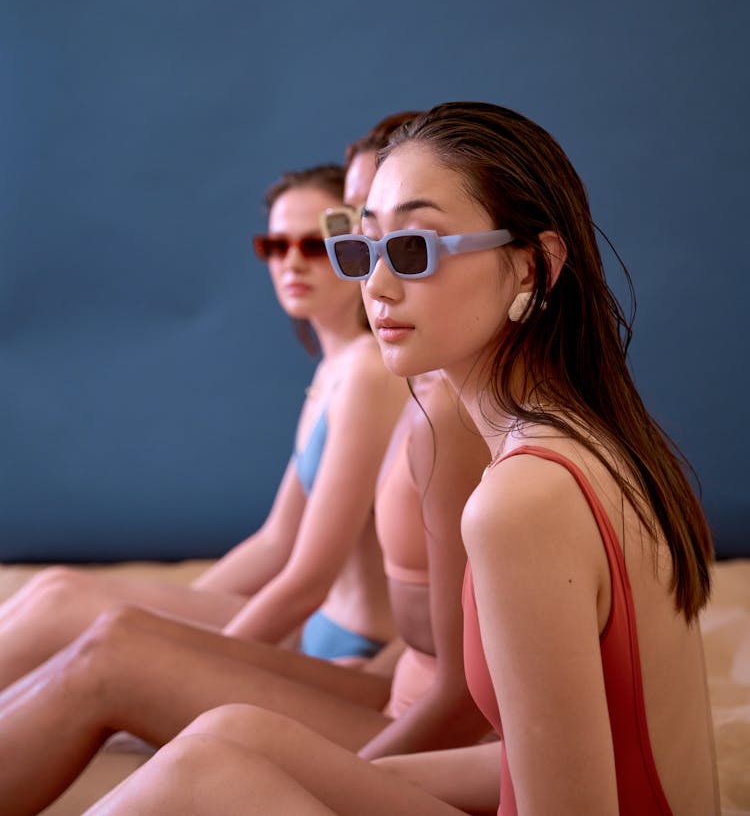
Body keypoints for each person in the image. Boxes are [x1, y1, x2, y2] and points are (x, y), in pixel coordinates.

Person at [88, 100, 719, 815]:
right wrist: (333, 780)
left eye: (415, 249)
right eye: (363, 249)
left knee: (211, 766)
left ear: (532, 266)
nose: (376, 288)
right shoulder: (594, 438)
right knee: (231, 740)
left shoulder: (521, 501)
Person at [0, 128, 493, 815]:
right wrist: (173, 645)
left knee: (103, 639)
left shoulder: (417, 401)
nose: (361, 260)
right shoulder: (388, 387)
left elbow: (336, 593)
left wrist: (199, 661)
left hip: (367, 667)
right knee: (88, 616)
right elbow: (282, 545)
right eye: (278, 245)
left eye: (324, 239)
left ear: (528, 265)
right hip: (375, 670)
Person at [0, 161, 407, 683]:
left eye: (313, 245)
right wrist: (167, 610)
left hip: (345, 648)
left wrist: (189, 657)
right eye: (275, 246)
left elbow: (308, 577)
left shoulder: (369, 374)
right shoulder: (336, 368)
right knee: (59, 591)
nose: (291, 263)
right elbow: (276, 543)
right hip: (316, 629)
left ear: (356, 247)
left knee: (66, 603)